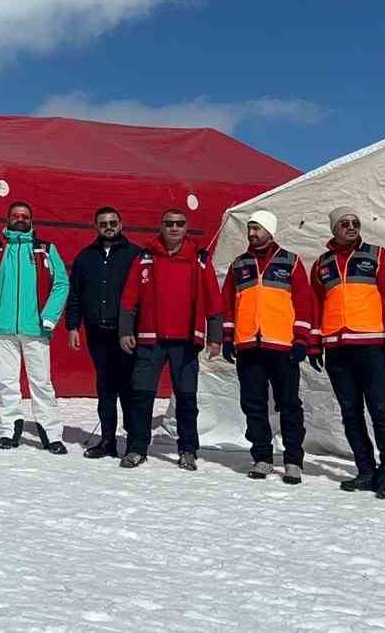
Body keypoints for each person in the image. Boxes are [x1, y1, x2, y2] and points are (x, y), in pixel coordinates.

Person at [311, 206, 385, 499]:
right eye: (344, 223)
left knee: (380, 410)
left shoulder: (377, 256)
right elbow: (315, 305)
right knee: (350, 413)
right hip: (336, 348)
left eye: (355, 222)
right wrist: (315, 342)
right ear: (333, 229)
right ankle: (366, 470)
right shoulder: (321, 264)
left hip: (372, 346)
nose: (351, 227)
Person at [119, 208, 221, 470]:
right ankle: (137, 448)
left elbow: (213, 300)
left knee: (187, 399)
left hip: (186, 341)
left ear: (186, 228)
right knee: (141, 396)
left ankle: (188, 449)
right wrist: (126, 330)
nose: (174, 228)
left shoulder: (199, 260)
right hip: (150, 340)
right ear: (161, 226)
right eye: (169, 223)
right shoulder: (145, 257)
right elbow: (129, 297)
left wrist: (216, 336)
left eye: (179, 224)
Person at [220, 209, 315, 484]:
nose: (252, 233)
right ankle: (261, 457)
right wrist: (228, 337)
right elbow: (228, 304)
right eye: (250, 228)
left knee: (289, 405)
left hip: (283, 347)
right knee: (254, 405)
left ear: (270, 231)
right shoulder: (240, 264)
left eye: (257, 228)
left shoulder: (291, 262)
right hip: (249, 346)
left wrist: (301, 340)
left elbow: (304, 304)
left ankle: (293, 460)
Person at [0, 201, 72, 453]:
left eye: (25, 216)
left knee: (41, 383)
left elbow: (61, 284)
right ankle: (7, 431)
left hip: (35, 328)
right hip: (3, 328)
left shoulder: (45, 250)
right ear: (7, 219)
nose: (20, 219)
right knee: (6, 382)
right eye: (15, 215)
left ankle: (51, 433)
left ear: (31, 220)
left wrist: (48, 317)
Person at [65, 206, 142, 459]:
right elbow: (75, 293)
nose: (108, 226)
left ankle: (133, 442)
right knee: (106, 387)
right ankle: (108, 440)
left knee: (129, 388)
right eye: (103, 223)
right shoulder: (86, 257)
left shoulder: (136, 255)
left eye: (112, 222)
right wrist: (72, 325)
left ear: (121, 223)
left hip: (126, 333)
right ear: (95, 227)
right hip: (97, 332)